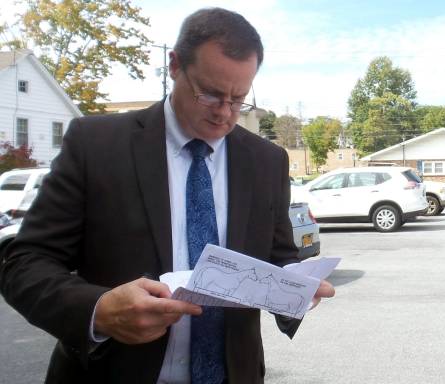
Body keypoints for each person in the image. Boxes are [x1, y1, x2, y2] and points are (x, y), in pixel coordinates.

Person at [0, 7, 334, 384]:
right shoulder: (95, 145)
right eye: (209, 95)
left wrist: (296, 289)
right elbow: (24, 262)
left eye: (239, 99)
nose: (225, 114)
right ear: (174, 65)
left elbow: (279, 256)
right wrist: (99, 309)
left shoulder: (267, 161)